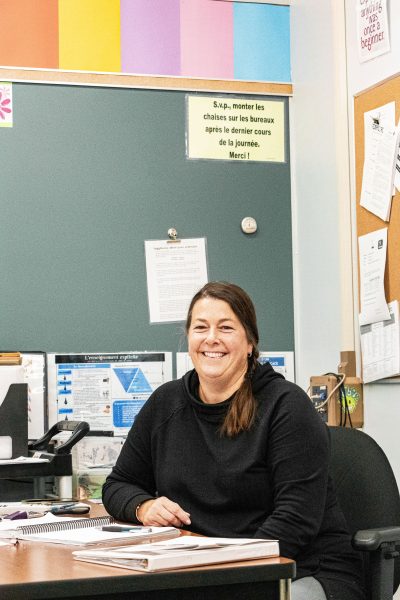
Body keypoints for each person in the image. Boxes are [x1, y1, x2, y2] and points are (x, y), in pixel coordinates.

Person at [103, 281, 365, 600]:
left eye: (225, 327)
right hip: (201, 571)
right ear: (188, 338)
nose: (211, 338)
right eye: (201, 327)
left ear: (250, 342)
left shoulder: (286, 407)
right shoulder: (165, 404)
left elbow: (294, 523)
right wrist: (144, 506)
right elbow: (119, 484)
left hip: (300, 569)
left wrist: (223, 574)